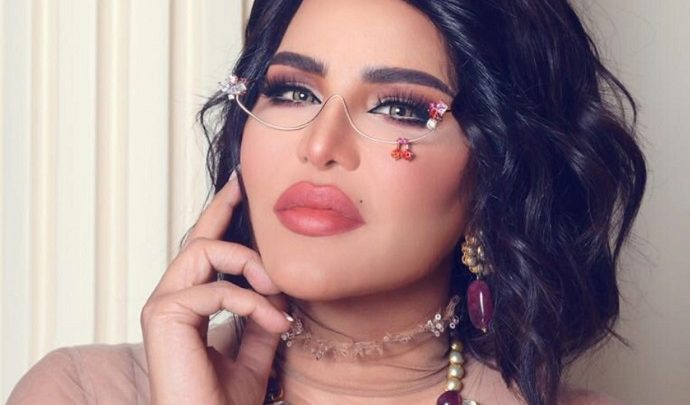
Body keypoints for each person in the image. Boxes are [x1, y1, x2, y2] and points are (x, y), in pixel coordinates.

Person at [8, 0, 647, 404]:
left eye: (400, 108)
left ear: (499, 171)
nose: (319, 146)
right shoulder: (79, 392)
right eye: (293, 93)